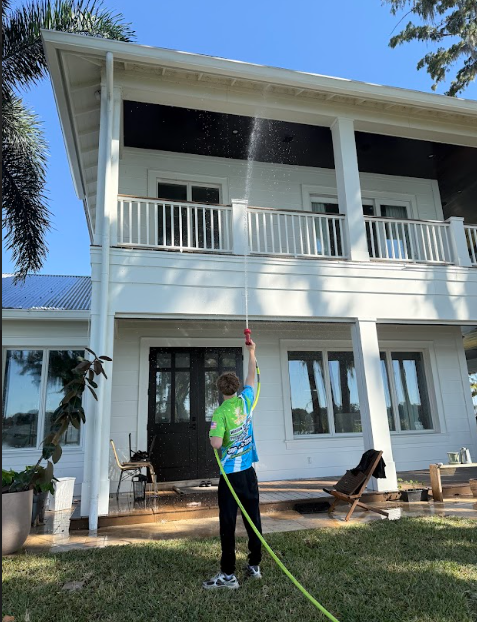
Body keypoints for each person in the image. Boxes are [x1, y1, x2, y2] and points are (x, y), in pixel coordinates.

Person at [203, 340, 262, 590]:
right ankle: (254, 565)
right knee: (253, 519)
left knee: (227, 523)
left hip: (230, 477)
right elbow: (252, 376)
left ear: (220, 390)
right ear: (236, 388)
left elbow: (216, 444)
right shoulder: (246, 400)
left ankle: (228, 575)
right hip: (249, 474)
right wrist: (252, 352)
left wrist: (213, 433)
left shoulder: (220, 413)